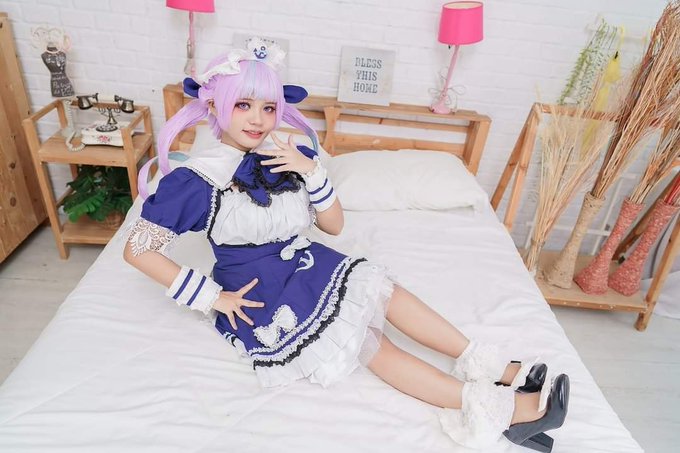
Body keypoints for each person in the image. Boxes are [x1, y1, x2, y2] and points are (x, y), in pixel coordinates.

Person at [123, 38, 569, 452]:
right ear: (214, 106)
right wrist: (212, 297)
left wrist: (311, 172)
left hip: (308, 263)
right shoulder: (197, 180)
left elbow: (334, 226)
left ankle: (493, 366)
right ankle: (503, 410)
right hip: (261, 291)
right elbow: (137, 250)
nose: (257, 119)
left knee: (388, 292)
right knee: (370, 343)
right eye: (243, 105)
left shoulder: (290, 156)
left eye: (268, 107)